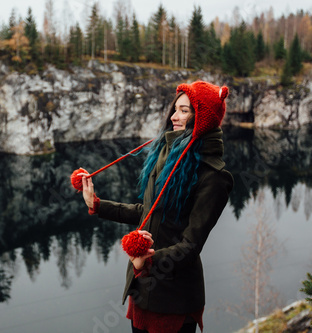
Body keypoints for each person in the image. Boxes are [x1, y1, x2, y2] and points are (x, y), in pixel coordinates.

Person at [79, 81, 234, 333]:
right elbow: (148, 213)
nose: (174, 116)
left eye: (185, 110)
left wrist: (147, 262)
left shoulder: (214, 176)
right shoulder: (165, 155)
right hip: (142, 287)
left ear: (202, 118)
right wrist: (97, 205)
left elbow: (191, 246)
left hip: (174, 297)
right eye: (175, 109)